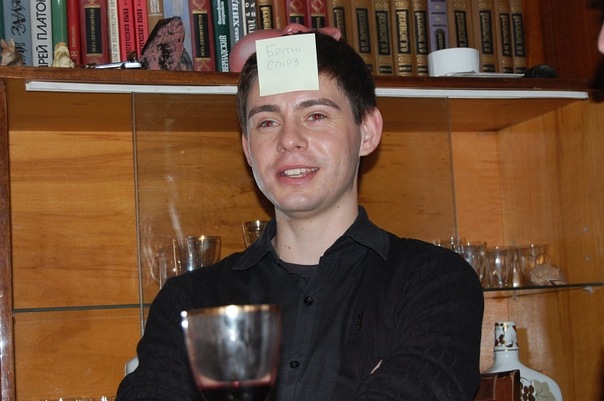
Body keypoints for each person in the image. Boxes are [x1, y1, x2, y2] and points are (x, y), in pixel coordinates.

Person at [116, 27, 484, 401]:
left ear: (368, 131)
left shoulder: (433, 284)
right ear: (248, 148)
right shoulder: (192, 301)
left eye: (316, 115)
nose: (289, 139)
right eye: (267, 122)